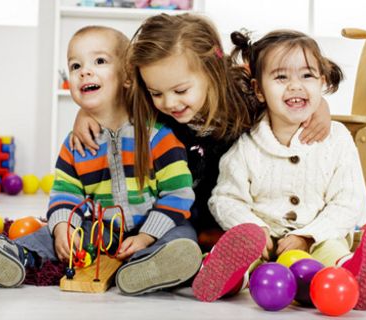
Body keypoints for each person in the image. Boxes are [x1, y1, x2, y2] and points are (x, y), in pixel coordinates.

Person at [0, 26, 203, 296]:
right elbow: (64, 194)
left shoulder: (158, 135)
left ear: (128, 75)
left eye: (100, 61)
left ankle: (147, 267)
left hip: (156, 226)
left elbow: (178, 193)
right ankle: (11, 255)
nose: (85, 71)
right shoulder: (75, 144)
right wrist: (62, 229)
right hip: (101, 231)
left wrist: (146, 235)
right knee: (48, 233)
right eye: (75, 65)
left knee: (183, 236)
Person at [70, 14, 332, 250]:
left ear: (211, 72)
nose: (170, 103)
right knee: (185, 236)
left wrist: (320, 105)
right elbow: (113, 101)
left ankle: (235, 245)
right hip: (181, 214)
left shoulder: (243, 94)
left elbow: (287, 89)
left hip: (240, 205)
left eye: (181, 91)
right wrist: (86, 113)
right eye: (157, 93)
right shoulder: (150, 105)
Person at [192, 29, 366, 311]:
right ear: (258, 90)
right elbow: (226, 198)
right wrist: (256, 229)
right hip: (263, 244)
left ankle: (356, 277)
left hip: (317, 239)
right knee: (247, 258)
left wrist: (308, 235)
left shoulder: (337, 140)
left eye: (307, 76)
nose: (295, 86)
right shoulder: (248, 145)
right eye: (281, 77)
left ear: (322, 81)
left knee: (332, 254)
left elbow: (346, 201)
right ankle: (221, 275)